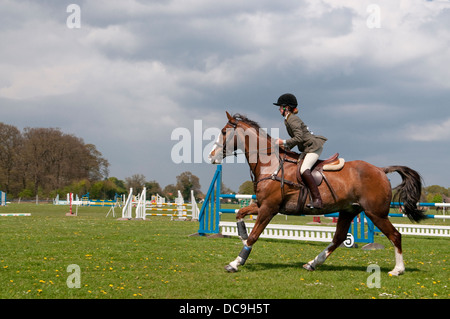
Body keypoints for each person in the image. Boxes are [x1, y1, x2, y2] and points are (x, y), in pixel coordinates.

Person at [274, 93, 327, 209]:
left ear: (286, 108)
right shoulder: (288, 119)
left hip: (313, 147)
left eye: (280, 107)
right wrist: (284, 148)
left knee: (304, 169)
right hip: (307, 148)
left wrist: (283, 142)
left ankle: (318, 200)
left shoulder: (292, 119)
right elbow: (297, 140)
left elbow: (299, 138)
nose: (278, 109)